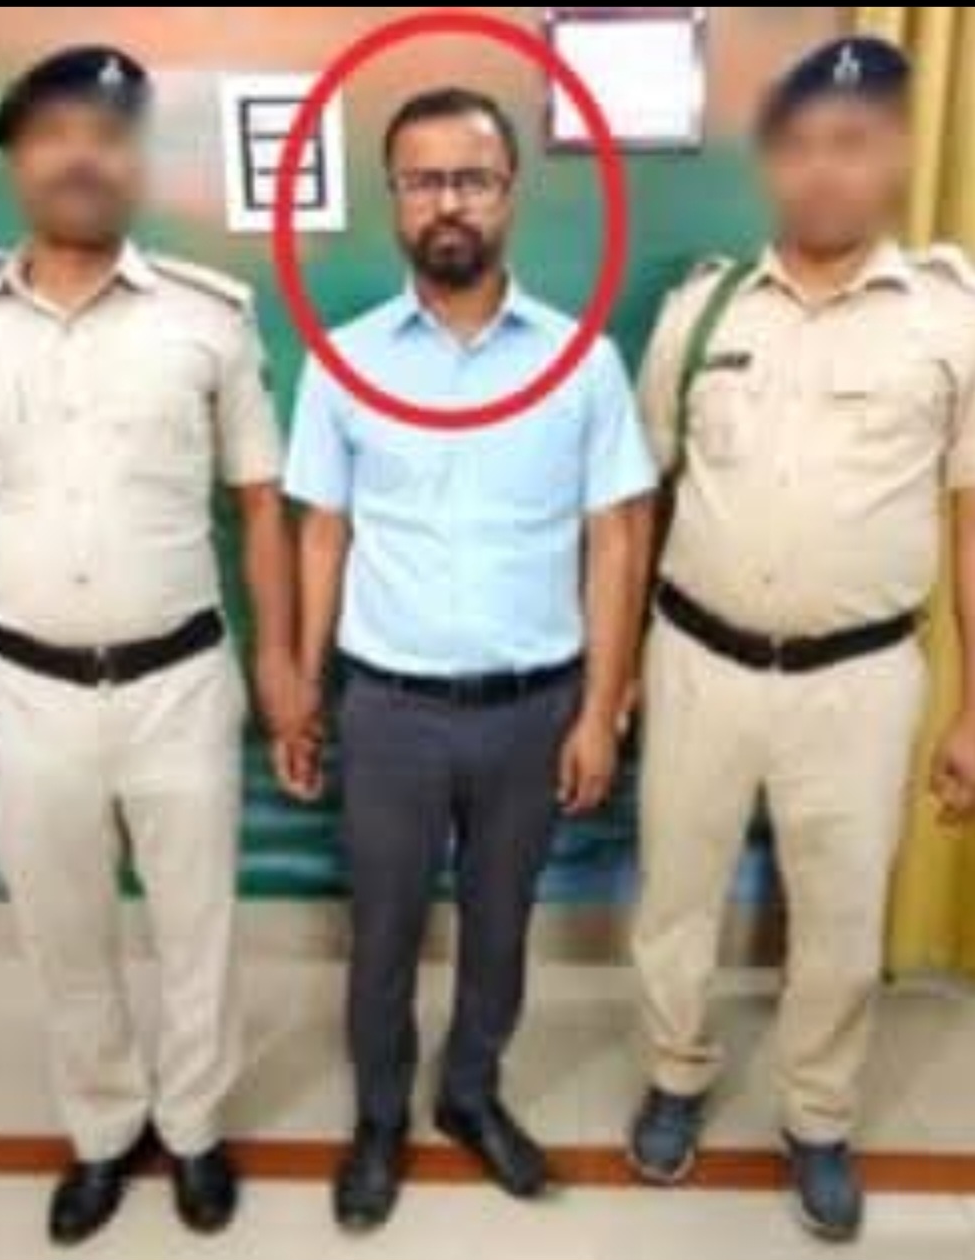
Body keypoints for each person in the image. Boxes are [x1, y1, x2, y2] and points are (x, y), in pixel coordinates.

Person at [0, 45, 311, 1245]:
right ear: (17, 161)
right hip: (25, 691)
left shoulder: (209, 316)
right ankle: (100, 1130)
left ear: (137, 161)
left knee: (198, 928)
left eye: (107, 134)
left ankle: (191, 1128)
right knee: (63, 934)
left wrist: (280, 663)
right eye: (54, 134)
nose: (80, 156)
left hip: (180, 682)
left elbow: (260, 504)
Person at [628, 35, 975, 1242]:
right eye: (802, 146)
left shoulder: (955, 320)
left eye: (855, 143)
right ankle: (675, 1072)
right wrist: (616, 671)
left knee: (840, 915)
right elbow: (637, 500)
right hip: (696, 659)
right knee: (675, 894)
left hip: (861, 679)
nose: (826, 170)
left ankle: (818, 1115)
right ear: (772, 163)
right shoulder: (702, 309)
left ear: (896, 156)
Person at [282, 87, 655, 1231]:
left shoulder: (583, 363)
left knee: (500, 928)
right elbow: (323, 532)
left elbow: (615, 536)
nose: (449, 202)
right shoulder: (343, 362)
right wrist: (302, 690)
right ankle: (380, 1117)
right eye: (425, 179)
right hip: (388, 711)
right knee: (384, 933)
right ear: (395, 198)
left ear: (509, 194)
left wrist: (599, 709)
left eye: (473, 178)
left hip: (533, 711)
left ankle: (470, 1092)